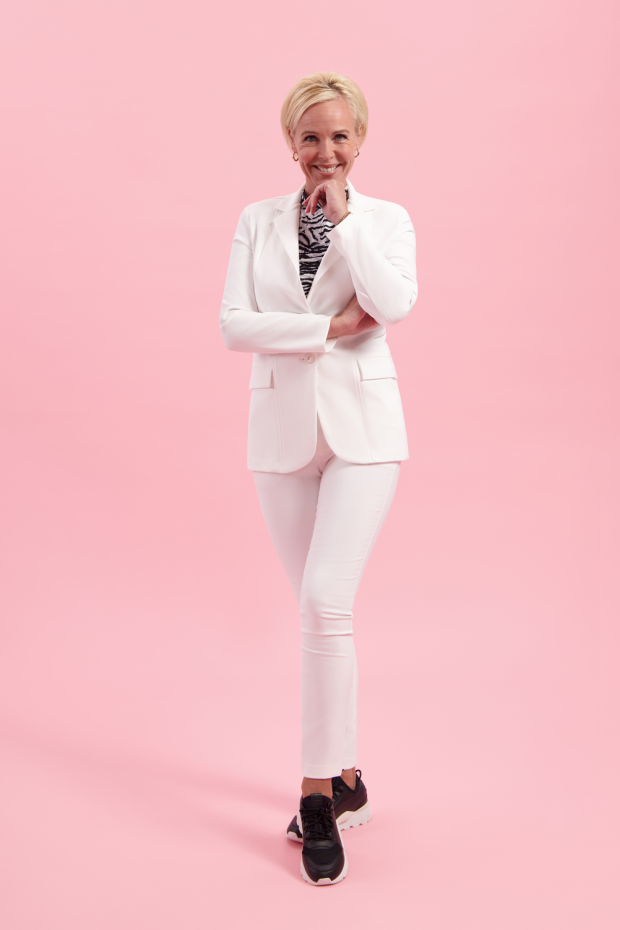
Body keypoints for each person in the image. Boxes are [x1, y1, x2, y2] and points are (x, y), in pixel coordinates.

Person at [219, 72, 418, 885]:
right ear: (290, 143)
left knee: (324, 603)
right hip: (281, 438)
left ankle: (315, 798)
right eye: (310, 137)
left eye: (339, 135)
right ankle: (349, 778)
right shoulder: (255, 220)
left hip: (364, 433)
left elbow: (394, 303)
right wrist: (329, 328)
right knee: (321, 615)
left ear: (360, 140)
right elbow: (234, 325)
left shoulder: (387, 219)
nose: (325, 151)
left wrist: (346, 225)